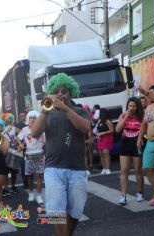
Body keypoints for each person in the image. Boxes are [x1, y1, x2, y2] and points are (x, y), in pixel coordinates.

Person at [31, 73, 90, 236]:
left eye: (63, 91)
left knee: (75, 211)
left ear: (70, 92)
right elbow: (34, 133)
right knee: (56, 211)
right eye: (56, 91)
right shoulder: (47, 113)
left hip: (77, 169)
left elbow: (85, 128)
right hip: (53, 168)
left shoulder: (79, 110)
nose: (59, 94)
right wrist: (44, 112)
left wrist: (66, 109)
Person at [115, 97, 145, 205]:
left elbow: (144, 129)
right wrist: (126, 116)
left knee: (138, 170)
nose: (132, 108)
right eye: (130, 106)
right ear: (127, 106)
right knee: (124, 170)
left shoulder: (141, 117)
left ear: (138, 107)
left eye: (134, 106)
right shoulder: (123, 115)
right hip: (125, 144)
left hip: (136, 144)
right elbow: (118, 130)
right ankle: (123, 196)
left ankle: (140, 193)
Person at [137, 84, 154, 206]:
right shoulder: (149, 107)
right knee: (147, 168)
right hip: (150, 143)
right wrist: (139, 138)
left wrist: (143, 90)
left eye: (151, 93)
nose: (148, 95)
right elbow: (144, 124)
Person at [17, 111, 45, 204]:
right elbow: (18, 138)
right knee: (29, 176)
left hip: (40, 154)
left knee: (39, 175)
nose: (32, 119)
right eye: (30, 118)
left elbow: (45, 140)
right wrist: (21, 144)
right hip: (28, 154)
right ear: (28, 119)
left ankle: (39, 195)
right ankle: (31, 193)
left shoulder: (41, 128)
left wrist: (41, 145)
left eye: (34, 117)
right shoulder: (25, 129)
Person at [1, 113, 19, 195]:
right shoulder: (2, 129)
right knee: (5, 171)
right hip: (5, 150)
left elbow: (22, 134)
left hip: (13, 150)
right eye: (7, 119)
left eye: (10, 119)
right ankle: (5, 188)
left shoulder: (14, 128)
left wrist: (19, 142)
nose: (8, 121)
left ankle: (13, 186)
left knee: (14, 170)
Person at [95, 108, 114, 175]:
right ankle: (104, 168)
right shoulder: (99, 120)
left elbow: (112, 130)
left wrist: (103, 133)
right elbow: (96, 129)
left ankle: (108, 168)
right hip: (100, 138)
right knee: (101, 153)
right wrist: (97, 133)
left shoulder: (107, 121)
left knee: (106, 152)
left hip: (106, 137)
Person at [82, 105, 94, 174]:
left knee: (87, 153)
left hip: (85, 137)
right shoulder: (88, 118)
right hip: (86, 137)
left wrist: (89, 139)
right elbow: (90, 130)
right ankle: (90, 165)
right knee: (88, 152)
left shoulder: (84, 118)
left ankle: (88, 166)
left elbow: (90, 130)